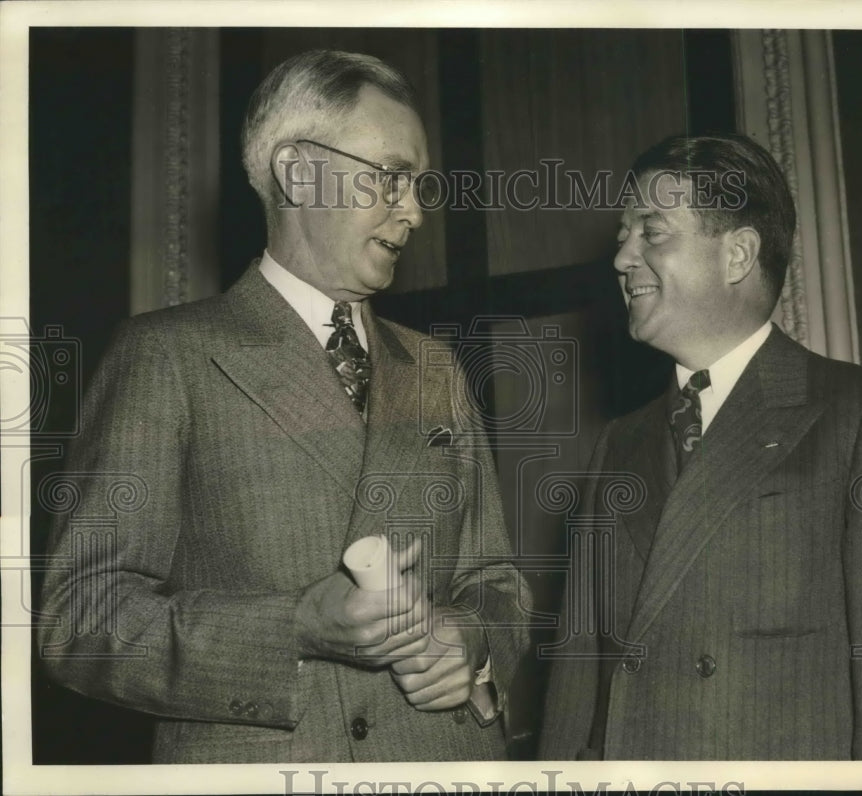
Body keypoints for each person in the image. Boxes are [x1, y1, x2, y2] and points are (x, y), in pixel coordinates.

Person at [38, 50, 528, 763]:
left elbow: (499, 586)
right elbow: (76, 621)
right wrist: (292, 627)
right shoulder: (168, 356)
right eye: (392, 176)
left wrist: (472, 640)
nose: (416, 211)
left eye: (420, 185)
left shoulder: (435, 368)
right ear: (298, 172)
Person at [539, 133, 862, 760]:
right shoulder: (617, 443)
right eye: (621, 235)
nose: (622, 258)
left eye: (651, 232)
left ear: (737, 254)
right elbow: (576, 688)